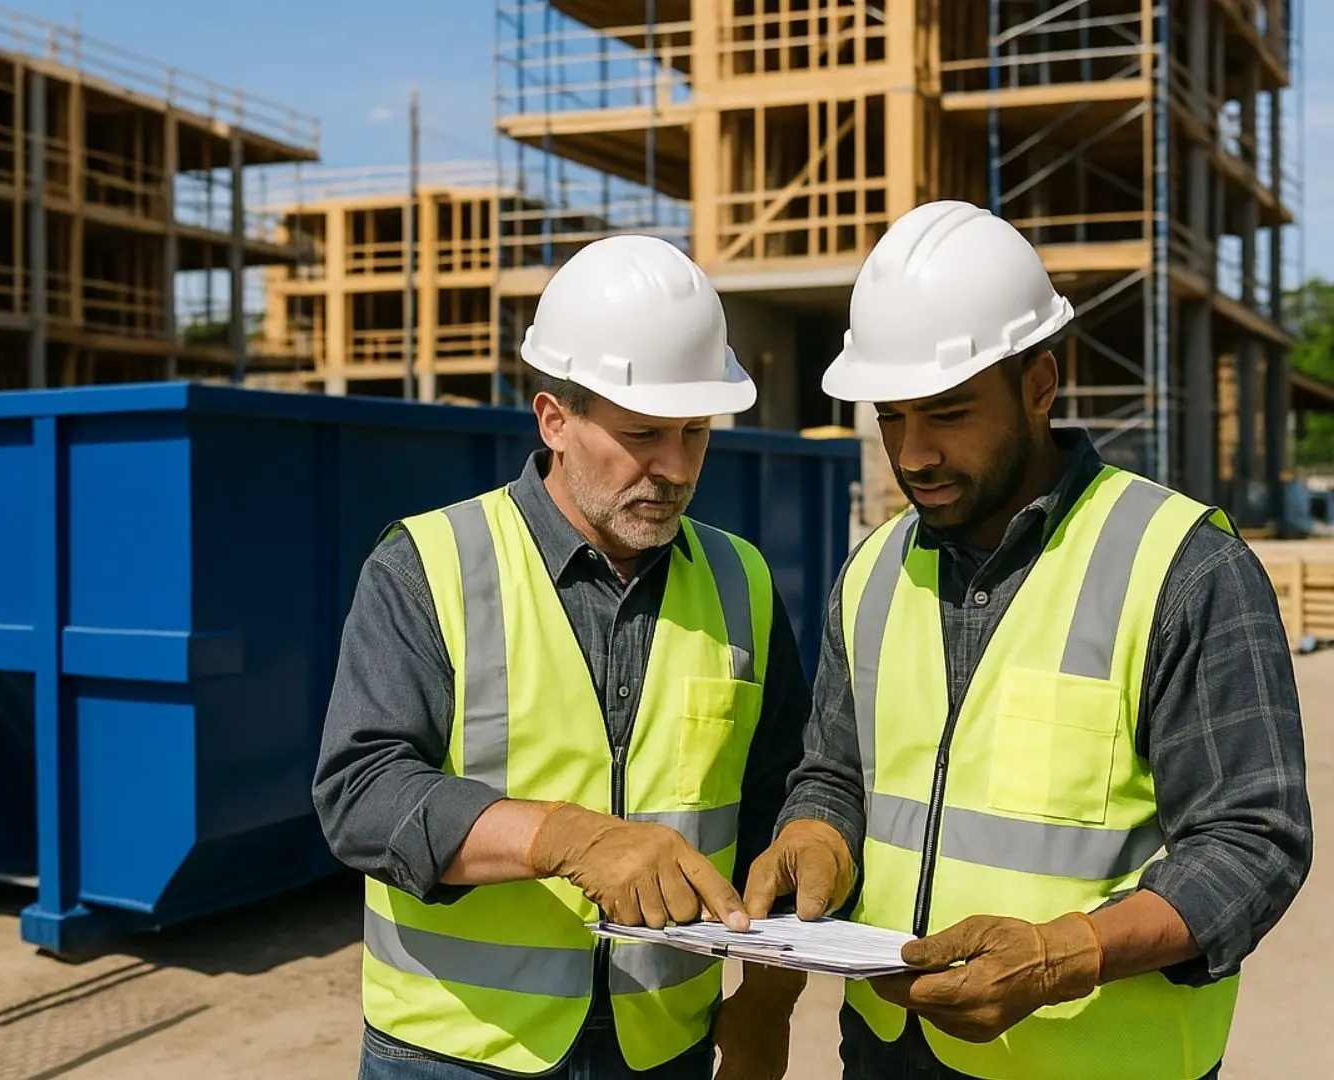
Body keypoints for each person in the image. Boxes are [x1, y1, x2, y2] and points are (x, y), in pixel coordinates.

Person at [743, 199, 1314, 1080]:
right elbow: (835, 770)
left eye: (948, 412)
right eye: (891, 417)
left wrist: (1062, 955)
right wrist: (816, 835)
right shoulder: (873, 571)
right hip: (890, 1054)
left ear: (1041, 382)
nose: (915, 453)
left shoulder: (1183, 567)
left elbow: (1251, 842)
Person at [312, 233, 815, 1080]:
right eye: (642, 433)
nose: (674, 467)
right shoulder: (429, 564)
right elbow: (361, 795)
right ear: (555, 419)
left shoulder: (743, 580)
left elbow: (781, 799)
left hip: (664, 1047)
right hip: (457, 1052)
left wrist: (768, 1001)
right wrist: (567, 838)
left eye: (696, 433)